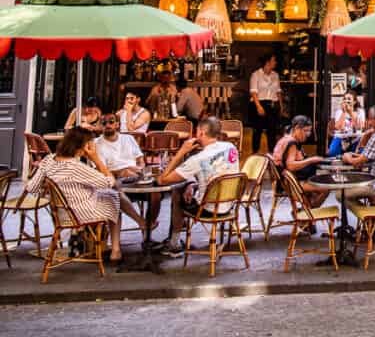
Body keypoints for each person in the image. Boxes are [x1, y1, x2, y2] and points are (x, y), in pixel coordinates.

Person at [27, 127, 143, 263]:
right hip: (81, 213)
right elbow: (109, 182)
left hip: (60, 213)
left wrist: (51, 191)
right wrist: (96, 159)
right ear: (84, 146)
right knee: (114, 197)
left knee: (110, 195)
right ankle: (116, 249)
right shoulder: (76, 167)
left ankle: (131, 232)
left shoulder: (48, 160)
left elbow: (31, 187)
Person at [157, 117, 240, 257]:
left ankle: (174, 243)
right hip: (229, 204)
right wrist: (193, 184)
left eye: (196, 131)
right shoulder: (231, 147)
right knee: (187, 187)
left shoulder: (197, 159)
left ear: (201, 133)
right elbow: (218, 174)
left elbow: (162, 180)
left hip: (208, 209)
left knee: (177, 192)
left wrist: (181, 152)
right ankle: (175, 239)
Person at [272, 115, 328, 207]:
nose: (308, 134)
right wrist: (311, 160)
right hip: (291, 184)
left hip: (286, 182)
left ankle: (307, 213)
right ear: (297, 128)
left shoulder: (285, 139)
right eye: (305, 131)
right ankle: (309, 214)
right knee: (325, 189)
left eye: (309, 131)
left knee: (315, 193)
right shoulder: (291, 143)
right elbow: (290, 165)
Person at [249, 54, 283, 153]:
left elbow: (278, 91)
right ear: (267, 62)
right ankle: (255, 153)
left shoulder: (275, 75)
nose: (275, 62)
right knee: (257, 130)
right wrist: (258, 106)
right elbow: (253, 91)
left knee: (272, 131)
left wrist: (280, 105)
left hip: (272, 104)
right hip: (259, 103)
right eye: (274, 60)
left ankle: (272, 154)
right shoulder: (256, 74)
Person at [327, 93, 365, 157]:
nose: (346, 101)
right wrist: (344, 112)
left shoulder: (360, 111)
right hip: (341, 138)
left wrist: (350, 113)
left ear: (354, 102)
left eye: (349, 99)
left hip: (355, 138)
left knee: (361, 153)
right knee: (332, 153)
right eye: (345, 99)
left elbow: (359, 127)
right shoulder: (339, 111)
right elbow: (338, 127)